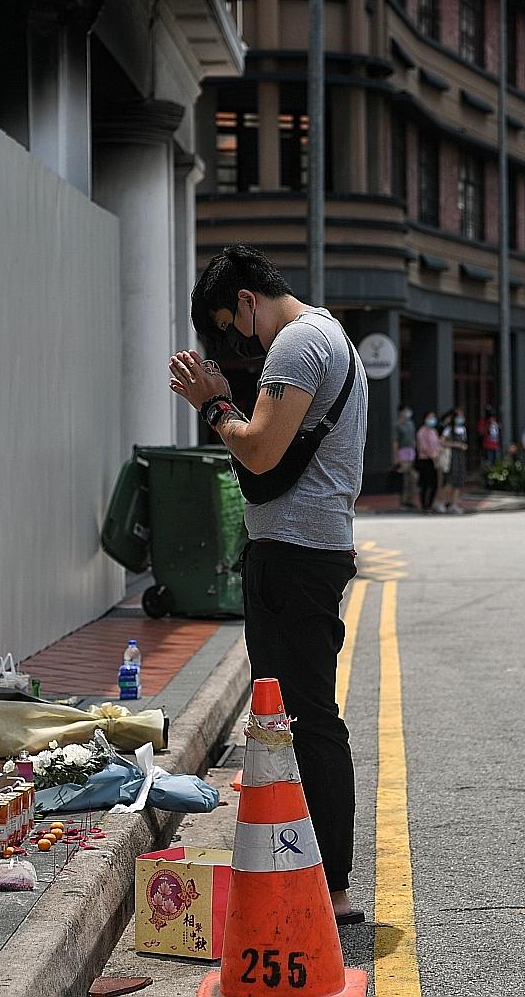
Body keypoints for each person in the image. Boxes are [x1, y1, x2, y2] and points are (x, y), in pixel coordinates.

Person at [171, 244, 367, 926]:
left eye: (233, 324)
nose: (239, 339)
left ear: (249, 300)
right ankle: (311, 869)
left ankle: (332, 884)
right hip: (306, 551)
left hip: (294, 556)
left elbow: (257, 447)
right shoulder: (329, 336)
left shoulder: (296, 344)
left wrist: (212, 403)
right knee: (298, 714)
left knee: (305, 715)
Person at [439, 407, 470, 514]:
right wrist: (456, 444)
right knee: (450, 481)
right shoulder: (448, 429)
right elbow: (442, 442)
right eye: (458, 416)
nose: (461, 418)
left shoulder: (463, 429)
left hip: (460, 457)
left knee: (458, 482)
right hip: (451, 457)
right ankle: (441, 502)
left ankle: (454, 504)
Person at [415, 411, 442, 512]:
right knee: (425, 483)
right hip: (425, 460)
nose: (432, 420)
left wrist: (437, 455)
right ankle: (424, 505)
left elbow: (437, 444)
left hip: (434, 460)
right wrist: (432, 456)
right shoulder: (422, 432)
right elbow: (423, 447)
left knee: (434, 483)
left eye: (433, 417)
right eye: (430, 418)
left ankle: (430, 504)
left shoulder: (434, 431)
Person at [393, 404, 418, 510]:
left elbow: (413, 438)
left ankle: (409, 499)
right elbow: (395, 441)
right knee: (404, 478)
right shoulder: (398, 425)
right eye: (405, 411)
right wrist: (396, 457)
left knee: (412, 477)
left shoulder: (411, 424)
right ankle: (402, 501)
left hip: (411, 451)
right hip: (402, 451)